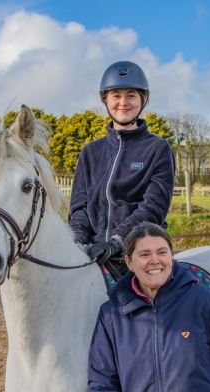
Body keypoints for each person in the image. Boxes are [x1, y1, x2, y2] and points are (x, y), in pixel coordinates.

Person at [87, 222, 210, 392]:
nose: (155, 260)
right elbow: (102, 382)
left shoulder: (204, 300)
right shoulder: (111, 314)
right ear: (129, 262)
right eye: (145, 254)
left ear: (171, 257)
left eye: (162, 252)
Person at [69, 60, 175, 278]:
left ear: (142, 100)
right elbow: (79, 206)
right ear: (105, 100)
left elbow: (153, 207)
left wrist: (118, 241)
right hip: (94, 252)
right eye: (116, 95)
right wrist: (79, 241)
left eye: (131, 95)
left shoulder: (158, 149)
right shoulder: (90, 152)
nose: (123, 102)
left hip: (141, 249)